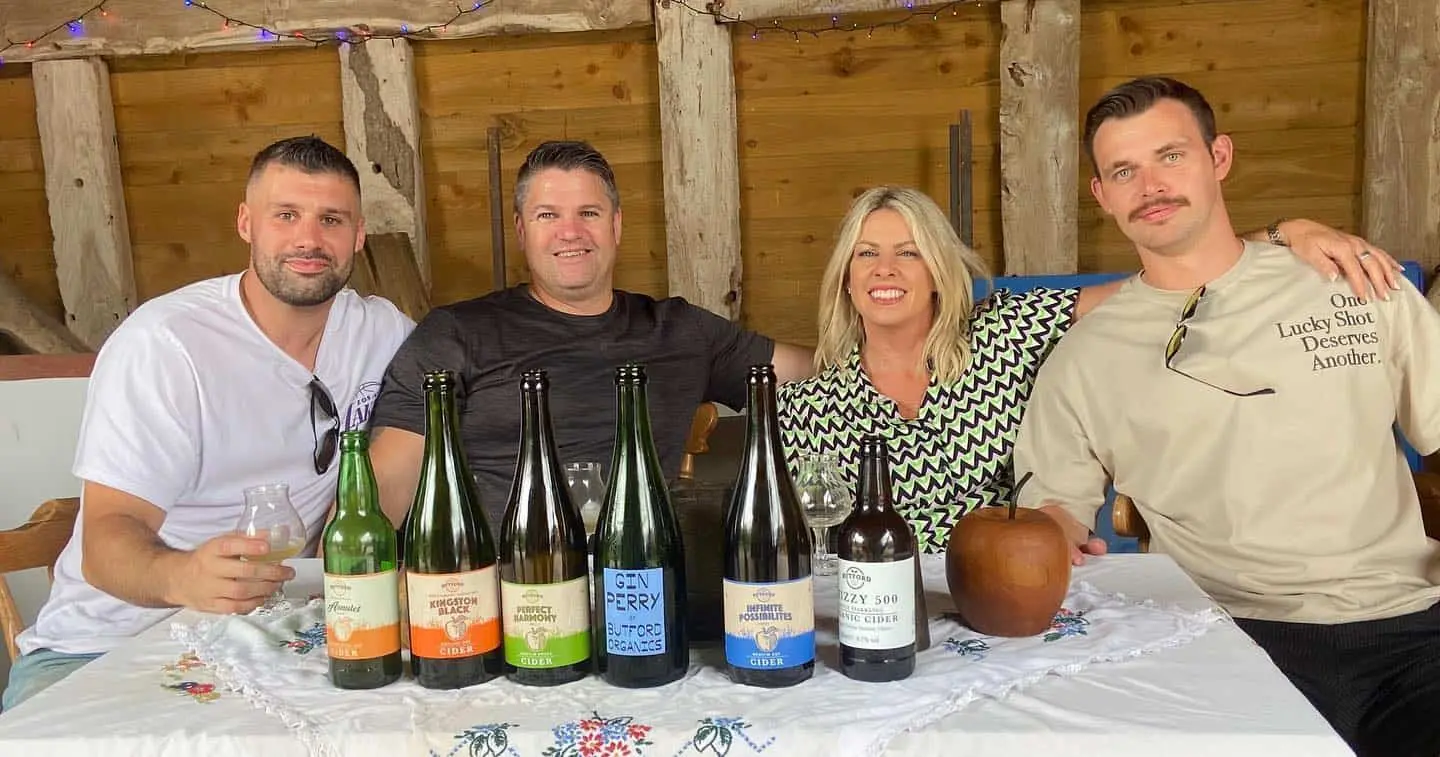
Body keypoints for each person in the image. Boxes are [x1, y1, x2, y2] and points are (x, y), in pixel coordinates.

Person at [1013, 76, 1440, 757]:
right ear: (1102, 196)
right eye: (1124, 170)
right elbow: (1054, 505)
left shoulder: (1350, 279)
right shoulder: (1085, 355)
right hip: (1216, 635)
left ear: (1219, 158)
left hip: (1405, 623)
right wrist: (1055, 531)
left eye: (1171, 155)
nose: (1149, 184)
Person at [2, 136, 414, 712]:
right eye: (286, 215)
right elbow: (105, 539)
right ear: (246, 222)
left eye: (332, 219)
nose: (309, 239)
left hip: (287, 636)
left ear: (359, 235)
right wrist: (181, 577)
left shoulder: (383, 333)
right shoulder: (166, 345)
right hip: (108, 646)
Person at [778, 184, 1400, 554]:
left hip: (1012, 592)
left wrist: (1285, 232)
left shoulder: (1009, 333)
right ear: (847, 277)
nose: (885, 269)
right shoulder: (808, 405)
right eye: (867, 254)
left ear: (939, 271)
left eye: (907, 253)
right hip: (877, 621)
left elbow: (1159, 283)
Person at [367, 140, 812, 528]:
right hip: (504, 591)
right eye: (548, 214)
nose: (570, 232)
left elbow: (819, 371)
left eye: (589, 213)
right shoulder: (457, 334)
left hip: (641, 585)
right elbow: (385, 484)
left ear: (616, 226)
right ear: (522, 230)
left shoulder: (682, 330)